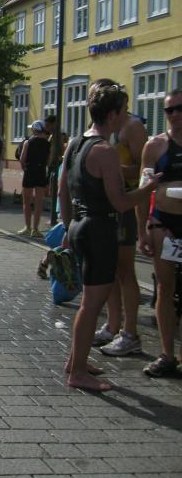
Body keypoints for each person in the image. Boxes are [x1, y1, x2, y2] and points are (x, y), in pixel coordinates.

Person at [59, 79, 159, 391]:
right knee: (92, 304)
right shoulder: (105, 151)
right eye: (124, 111)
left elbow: (62, 189)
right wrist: (149, 187)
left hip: (79, 224)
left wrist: (66, 226)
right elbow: (120, 201)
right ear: (112, 115)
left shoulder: (76, 143)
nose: (127, 116)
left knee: (90, 301)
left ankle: (75, 360)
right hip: (100, 229)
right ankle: (77, 372)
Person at [94, 113, 148, 357]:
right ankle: (112, 325)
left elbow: (142, 171)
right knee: (110, 268)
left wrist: (110, 166)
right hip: (104, 206)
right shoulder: (101, 127)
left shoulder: (132, 128)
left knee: (125, 270)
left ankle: (130, 333)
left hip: (124, 206)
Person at [139, 88, 182, 376]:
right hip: (163, 223)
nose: (175, 114)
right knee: (165, 288)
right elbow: (143, 191)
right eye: (170, 110)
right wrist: (142, 230)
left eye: (180, 108)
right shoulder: (155, 146)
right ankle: (167, 354)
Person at [18, 121, 51, 236]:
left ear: (34, 130)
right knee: (39, 202)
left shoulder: (28, 142)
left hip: (29, 171)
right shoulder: (47, 143)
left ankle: (27, 227)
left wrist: (25, 168)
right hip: (41, 172)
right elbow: (49, 161)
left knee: (27, 201)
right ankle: (35, 229)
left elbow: (22, 159)